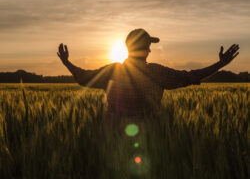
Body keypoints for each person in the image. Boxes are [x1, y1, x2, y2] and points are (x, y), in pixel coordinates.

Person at [57, 28, 239, 118]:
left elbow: (83, 78)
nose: (150, 51)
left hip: (114, 141)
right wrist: (220, 64)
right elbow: (191, 76)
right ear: (143, 50)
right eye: (148, 48)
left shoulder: (112, 71)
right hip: (150, 143)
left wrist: (67, 63)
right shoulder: (156, 73)